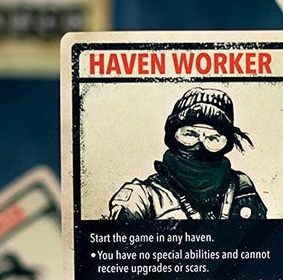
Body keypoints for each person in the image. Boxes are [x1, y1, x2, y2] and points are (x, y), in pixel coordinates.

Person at [109, 87, 267, 220]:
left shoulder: (242, 188)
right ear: (173, 137)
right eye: (190, 135)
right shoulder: (142, 198)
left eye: (213, 138)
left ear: (226, 144)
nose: (200, 146)